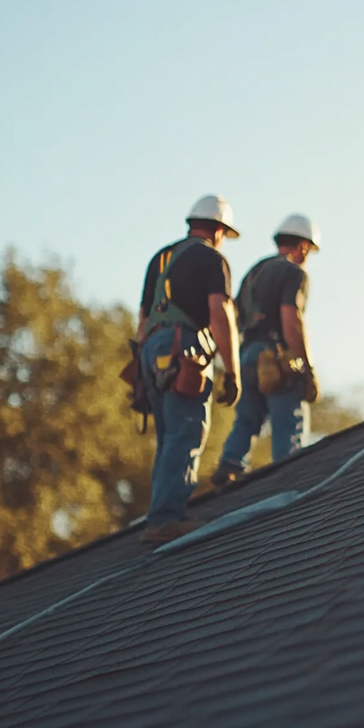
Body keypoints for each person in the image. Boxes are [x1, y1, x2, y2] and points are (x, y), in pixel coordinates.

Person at [136, 195, 242, 545]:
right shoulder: (212, 258)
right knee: (186, 431)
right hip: (184, 348)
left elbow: (142, 319)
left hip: (151, 350)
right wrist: (233, 371)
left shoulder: (160, 258)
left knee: (168, 436)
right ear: (218, 230)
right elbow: (220, 313)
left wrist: (141, 373)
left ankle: (162, 514)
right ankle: (166, 519)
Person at [211, 214, 320, 487]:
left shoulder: (255, 272)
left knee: (248, 418)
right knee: (289, 421)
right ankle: (288, 479)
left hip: (247, 353)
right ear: (304, 247)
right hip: (274, 357)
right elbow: (291, 318)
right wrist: (307, 368)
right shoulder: (295, 273)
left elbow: (233, 315)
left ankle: (230, 466)